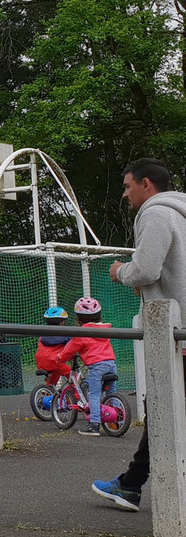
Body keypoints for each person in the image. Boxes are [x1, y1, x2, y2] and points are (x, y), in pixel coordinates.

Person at [93, 158, 186, 510]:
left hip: (175, 333)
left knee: (163, 408)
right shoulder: (181, 211)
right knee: (167, 409)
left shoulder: (155, 212)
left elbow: (145, 268)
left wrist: (121, 272)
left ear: (146, 184)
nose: (125, 194)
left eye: (127, 186)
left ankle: (131, 484)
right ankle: (131, 483)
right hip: (179, 326)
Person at [57, 297, 117, 436]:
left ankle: (94, 425)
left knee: (94, 395)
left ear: (78, 318)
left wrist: (60, 357)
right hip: (111, 364)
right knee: (111, 394)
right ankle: (117, 421)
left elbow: (70, 349)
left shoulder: (82, 333)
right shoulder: (105, 329)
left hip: (97, 367)